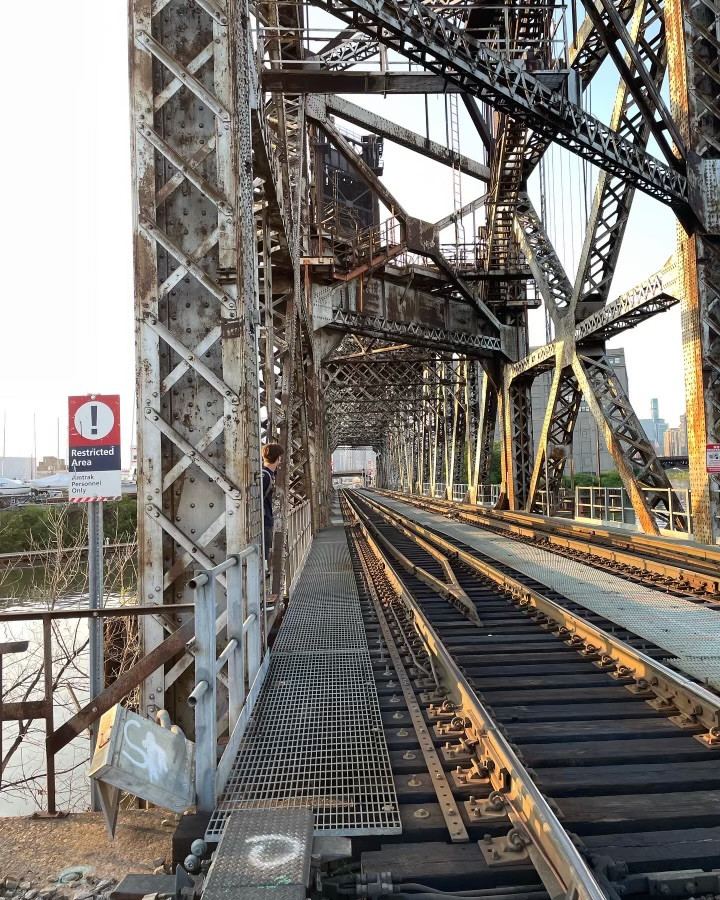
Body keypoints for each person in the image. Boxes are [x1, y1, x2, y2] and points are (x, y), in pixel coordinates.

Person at [261, 443, 283, 575]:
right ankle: (263, 572)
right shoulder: (266, 476)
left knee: (266, 549)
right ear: (279, 458)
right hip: (264, 520)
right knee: (264, 549)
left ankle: (264, 570)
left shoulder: (266, 474)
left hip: (265, 519)